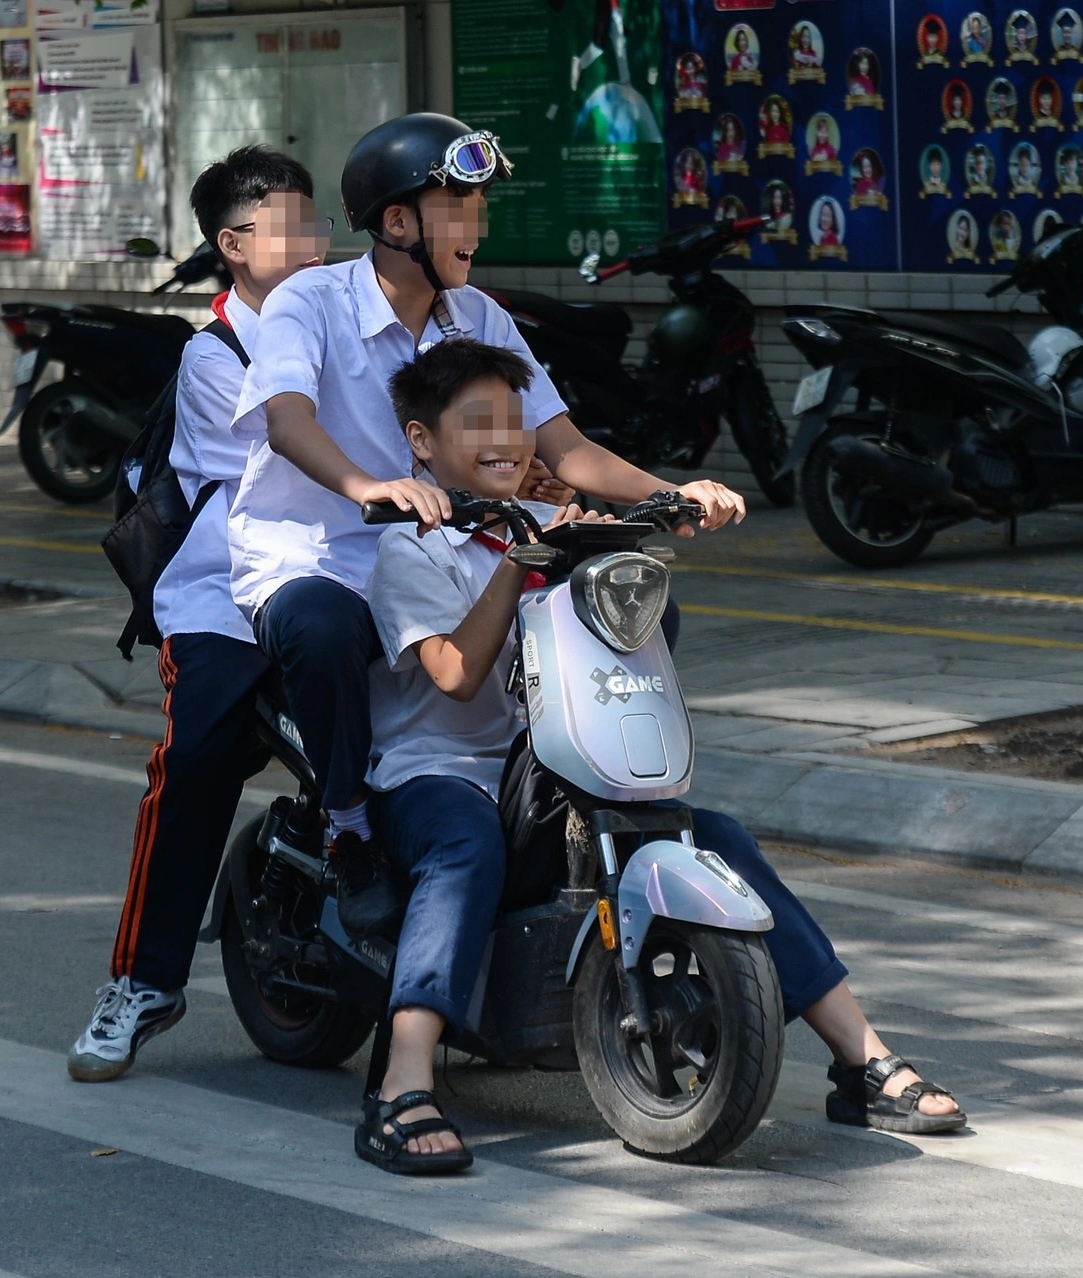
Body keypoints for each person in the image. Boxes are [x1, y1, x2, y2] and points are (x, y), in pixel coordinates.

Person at [354, 338, 967, 1174]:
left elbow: (631, 637)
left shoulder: (557, 525)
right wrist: (519, 566)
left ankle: (862, 1061)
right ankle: (403, 1078)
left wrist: (620, 536)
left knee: (716, 839)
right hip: (441, 774)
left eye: (515, 420)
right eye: (476, 423)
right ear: (423, 442)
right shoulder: (412, 548)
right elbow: (455, 677)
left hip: (550, 777)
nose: (505, 439)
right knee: (465, 850)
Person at [226, 113, 742, 931]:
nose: (478, 223)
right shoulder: (310, 301)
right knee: (323, 629)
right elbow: (286, 420)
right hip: (319, 555)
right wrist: (375, 484)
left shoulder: (481, 317)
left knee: (637, 612)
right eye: (459, 205)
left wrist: (673, 492)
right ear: (398, 222)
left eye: (478, 205)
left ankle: (546, 795)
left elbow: (564, 446)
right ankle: (352, 828)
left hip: (456, 553)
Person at [68, 147, 328, 1082]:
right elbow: (305, 463)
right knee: (199, 758)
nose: (313, 245)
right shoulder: (215, 355)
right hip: (227, 596)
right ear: (234, 245)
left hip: (342, 578)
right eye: (290, 229)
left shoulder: (352, 320)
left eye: (318, 224)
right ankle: (142, 981)